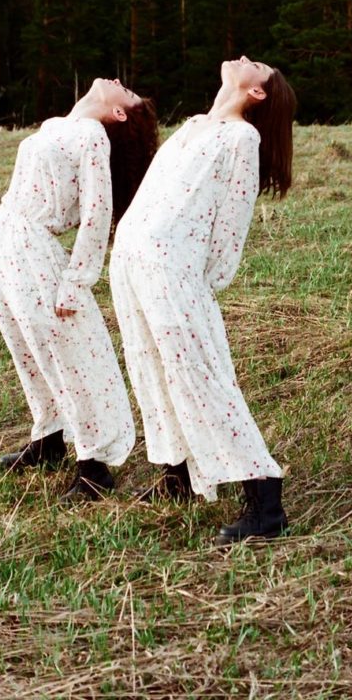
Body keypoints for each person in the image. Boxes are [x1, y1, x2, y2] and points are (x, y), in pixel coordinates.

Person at [110, 56, 296, 544]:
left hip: (172, 267)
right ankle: (180, 475)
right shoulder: (196, 125)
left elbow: (231, 225)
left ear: (257, 93)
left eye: (256, 64)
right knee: (151, 366)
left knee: (199, 373)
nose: (243, 59)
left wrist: (194, 274)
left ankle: (264, 497)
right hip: (134, 259)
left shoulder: (241, 138)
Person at [0, 78, 158, 503]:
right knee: (25, 345)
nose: (120, 83)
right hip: (3, 235)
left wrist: (77, 280)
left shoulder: (93, 134)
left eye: (129, 94)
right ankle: (49, 437)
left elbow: (99, 212)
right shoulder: (58, 124)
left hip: (32, 245)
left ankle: (93, 467)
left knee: (65, 352)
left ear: (118, 114)